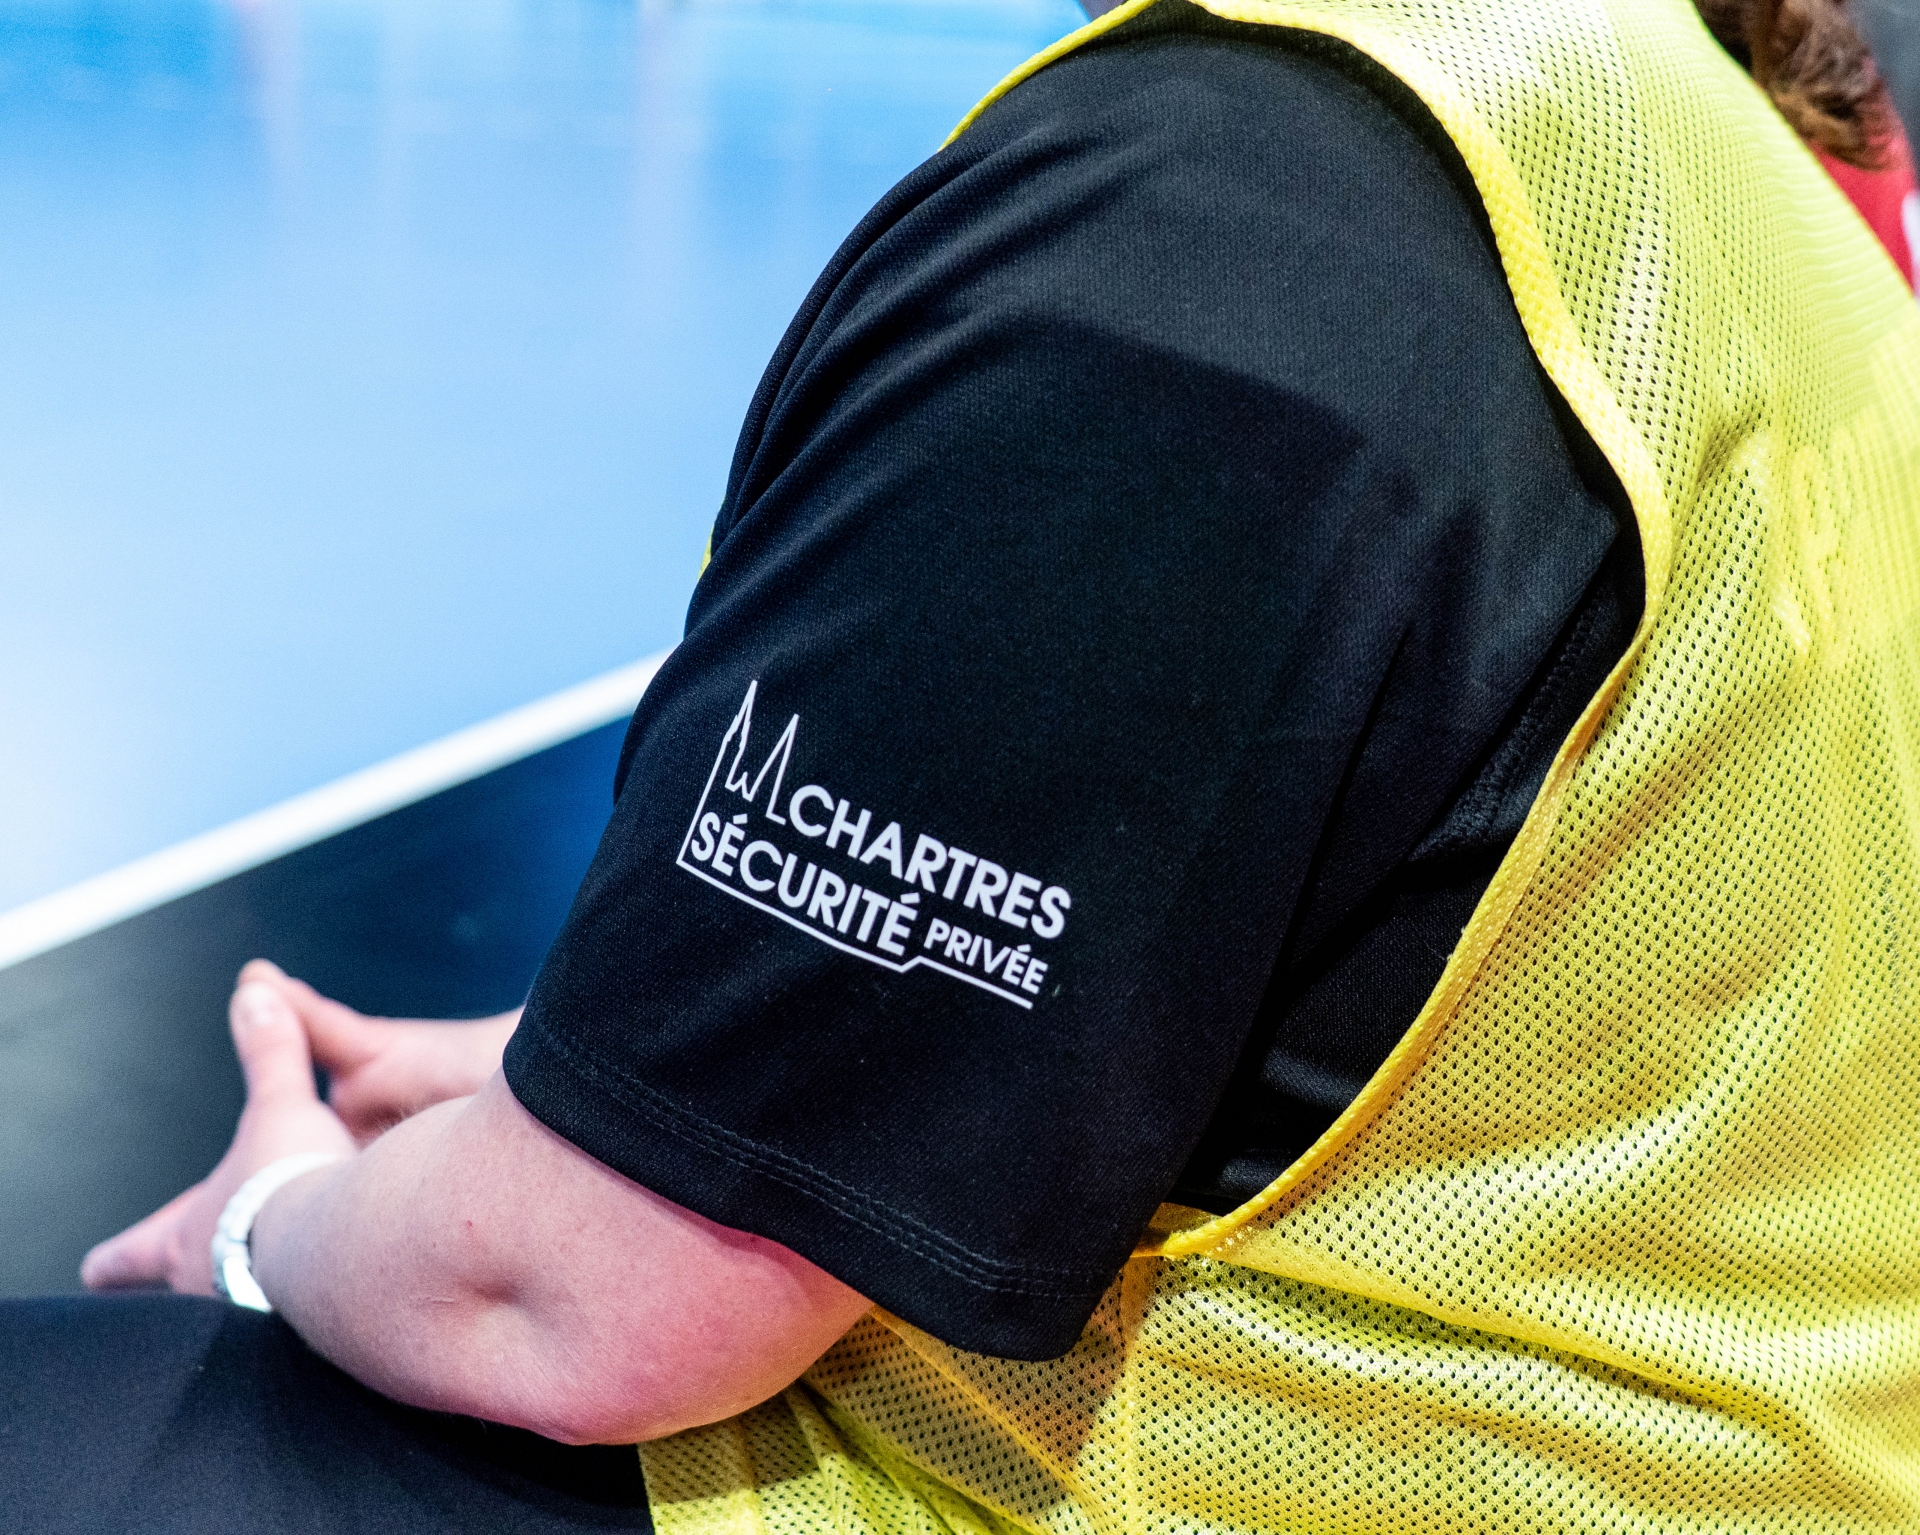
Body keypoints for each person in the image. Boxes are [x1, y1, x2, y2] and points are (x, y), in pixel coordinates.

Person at [4, 0, 1918, 1530]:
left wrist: (263, 1221)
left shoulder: (1230, 227)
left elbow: (579, 1305)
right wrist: (630, 1070)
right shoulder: (1677, 143)